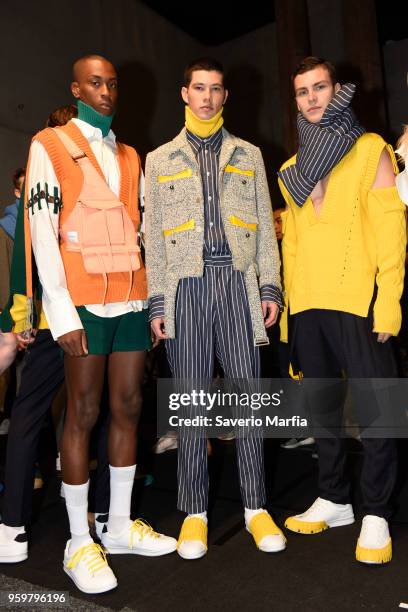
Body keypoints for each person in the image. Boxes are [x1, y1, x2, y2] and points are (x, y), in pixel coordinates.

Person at [23, 55, 176, 594]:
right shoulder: (50, 144)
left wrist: (155, 300)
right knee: (83, 412)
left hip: (131, 297)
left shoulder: (131, 153)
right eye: (95, 82)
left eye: (112, 83)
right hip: (82, 301)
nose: (106, 91)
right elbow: (42, 230)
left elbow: (139, 230)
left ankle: (116, 527)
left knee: (129, 407)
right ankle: (77, 540)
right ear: (76, 87)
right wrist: (58, 311)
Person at [145, 57, 285, 560]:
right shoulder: (159, 160)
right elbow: (154, 244)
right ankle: (195, 513)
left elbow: (267, 230)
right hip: (186, 288)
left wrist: (270, 288)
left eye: (216, 89)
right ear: (185, 93)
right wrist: (158, 301)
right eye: (198, 88)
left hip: (237, 283)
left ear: (225, 96)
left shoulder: (249, 154)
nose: (206, 97)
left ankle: (255, 506)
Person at [278, 56, 406, 564]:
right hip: (308, 303)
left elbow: (392, 231)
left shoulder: (370, 147)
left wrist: (389, 300)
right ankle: (333, 497)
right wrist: (288, 317)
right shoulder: (290, 169)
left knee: (380, 410)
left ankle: (376, 511)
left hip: (359, 298)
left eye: (319, 87)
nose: (311, 97)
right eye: (302, 91)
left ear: (337, 90)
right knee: (322, 407)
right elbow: (291, 250)